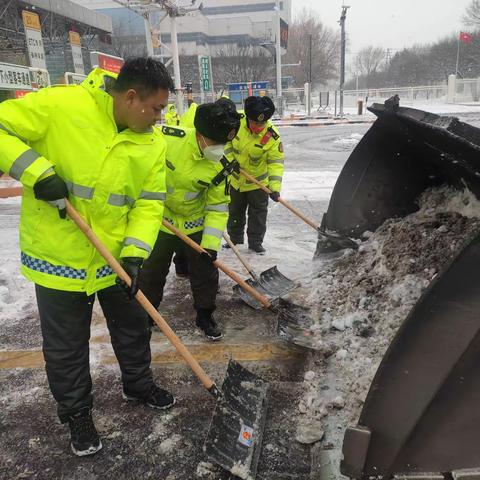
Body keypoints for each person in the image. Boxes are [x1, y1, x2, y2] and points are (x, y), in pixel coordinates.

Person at [0, 57, 175, 457]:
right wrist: (37, 172)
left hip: (114, 255)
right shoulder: (61, 105)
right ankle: (77, 413)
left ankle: (138, 383)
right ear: (131, 97)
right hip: (59, 255)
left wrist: (135, 254)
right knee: (66, 346)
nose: (159, 118)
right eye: (155, 108)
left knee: (133, 326)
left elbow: (148, 205)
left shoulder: (152, 142)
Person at [140, 102, 241, 340]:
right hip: (162, 220)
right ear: (199, 134)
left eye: (223, 144)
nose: (219, 148)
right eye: (214, 142)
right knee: (151, 271)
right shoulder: (166, 140)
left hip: (195, 224)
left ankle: (205, 314)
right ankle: (146, 313)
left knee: (205, 272)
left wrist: (210, 245)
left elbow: (217, 207)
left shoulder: (219, 166)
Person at [225, 95, 284, 253]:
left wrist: (275, 188)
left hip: (258, 184)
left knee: (258, 214)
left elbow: (275, 163)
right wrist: (231, 162)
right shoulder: (235, 123)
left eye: (262, 123)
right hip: (236, 180)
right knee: (235, 211)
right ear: (247, 119)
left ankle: (255, 242)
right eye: (255, 123)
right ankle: (235, 239)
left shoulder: (272, 137)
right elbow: (226, 144)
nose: (259, 126)